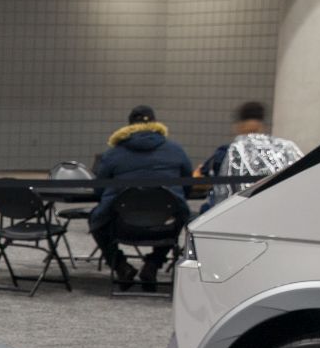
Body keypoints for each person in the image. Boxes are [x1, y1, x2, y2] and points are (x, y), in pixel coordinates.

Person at [89, 105, 192, 288]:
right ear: (155, 123)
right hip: (164, 227)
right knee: (177, 214)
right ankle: (152, 265)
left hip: (123, 226)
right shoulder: (176, 150)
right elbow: (187, 187)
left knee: (96, 221)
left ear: (129, 126)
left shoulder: (113, 153)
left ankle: (121, 266)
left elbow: (99, 190)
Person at [197, 100, 302, 210]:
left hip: (235, 215)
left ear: (240, 125)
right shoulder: (286, 149)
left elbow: (199, 178)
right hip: (281, 210)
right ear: (262, 126)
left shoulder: (228, 151)